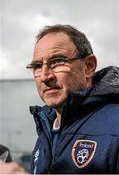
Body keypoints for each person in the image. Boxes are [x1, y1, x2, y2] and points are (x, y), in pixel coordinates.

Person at [26, 24, 119, 174]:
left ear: (88, 66)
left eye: (57, 61)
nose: (44, 76)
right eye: (37, 66)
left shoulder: (116, 125)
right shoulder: (45, 133)